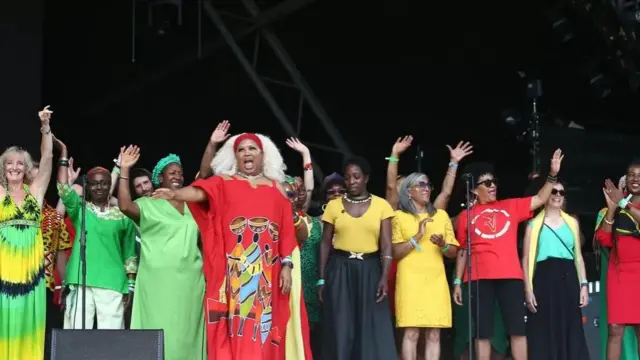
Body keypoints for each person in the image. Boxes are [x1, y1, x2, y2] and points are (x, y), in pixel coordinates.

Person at [152, 132, 312, 360]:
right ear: (235, 156)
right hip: (234, 273)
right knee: (238, 328)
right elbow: (199, 192)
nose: (247, 153)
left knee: (266, 329)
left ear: (262, 155)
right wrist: (176, 193)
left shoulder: (277, 189)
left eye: (252, 149)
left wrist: (287, 265)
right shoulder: (223, 183)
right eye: (241, 149)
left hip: (269, 274)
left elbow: (287, 230)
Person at [452, 149, 564, 360]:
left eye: (494, 182)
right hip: (478, 276)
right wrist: (458, 280)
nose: (493, 186)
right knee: (482, 331)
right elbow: (462, 250)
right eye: (487, 183)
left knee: (517, 329)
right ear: (475, 190)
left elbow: (540, 198)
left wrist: (552, 174)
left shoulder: (509, 206)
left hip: (510, 275)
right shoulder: (465, 215)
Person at [118, 147, 206, 360]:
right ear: (160, 178)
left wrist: (212, 144)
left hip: (190, 284)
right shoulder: (148, 204)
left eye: (180, 172)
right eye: (172, 172)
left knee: (186, 337)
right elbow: (124, 205)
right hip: (157, 284)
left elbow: (204, 177)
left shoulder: (192, 205)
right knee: (160, 336)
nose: (178, 175)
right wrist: (124, 170)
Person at [318, 156, 397, 360]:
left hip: (370, 269)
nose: (351, 181)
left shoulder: (381, 205)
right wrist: (321, 278)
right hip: (340, 268)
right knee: (340, 326)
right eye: (348, 177)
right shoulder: (334, 206)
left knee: (370, 327)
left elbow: (386, 245)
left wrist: (384, 277)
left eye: (356, 177)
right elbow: (325, 243)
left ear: (366, 178)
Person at [57, 138, 138, 330]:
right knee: (76, 338)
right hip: (80, 280)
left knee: (111, 340)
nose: (99, 187)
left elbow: (129, 255)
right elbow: (62, 188)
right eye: (94, 184)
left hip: (113, 282)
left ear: (110, 186)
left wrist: (131, 285)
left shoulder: (123, 217)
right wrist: (63, 153)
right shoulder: (81, 211)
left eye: (104, 184)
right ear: (88, 187)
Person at [0, 106, 54, 360]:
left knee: (29, 320)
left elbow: (47, 159)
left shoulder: (36, 191)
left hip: (31, 268)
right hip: (5, 267)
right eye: (9, 163)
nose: (14, 167)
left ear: (26, 168)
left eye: (19, 163)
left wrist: (45, 128)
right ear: (3, 168)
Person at [391, 172, 459, 360]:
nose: (426, 188)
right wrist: (417, 237)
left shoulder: (441, 216)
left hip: (435, 281)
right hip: (410, 281)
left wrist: (443, 244)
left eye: (428, 185)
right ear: (409, 192)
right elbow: (395, 253)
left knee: (434, 334)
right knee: (411, 333)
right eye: (421, 185)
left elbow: (454, 252)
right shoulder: (398, 216)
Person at [522, 181, 590, 359]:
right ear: (545, 194)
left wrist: (583, 284)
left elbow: (578, 257)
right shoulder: (533, 225)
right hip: (544, 278)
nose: (558, 195)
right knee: (544, 328)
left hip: (569, 278)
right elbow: (526, 259)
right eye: (554, 191)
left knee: (571, 327)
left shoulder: (572, 223)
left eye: (562, 192)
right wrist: (528, 289)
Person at [595, 162, 640, 360]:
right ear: (626, 179)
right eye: (631, 174)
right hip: (619, 273)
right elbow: (603, 239)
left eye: (639, 174)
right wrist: (612, 208)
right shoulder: (617, 205)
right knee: (615, 329)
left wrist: (623, 203)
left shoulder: (626, 204)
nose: (635, 178)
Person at [29, 160, 72, 360]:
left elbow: (61, 254)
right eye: (32, 178)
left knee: (44, 337)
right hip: (10, 282)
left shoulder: (52, 217)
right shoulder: (7, 208)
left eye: (42, 178)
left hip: (42, 285)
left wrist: (63, 285)